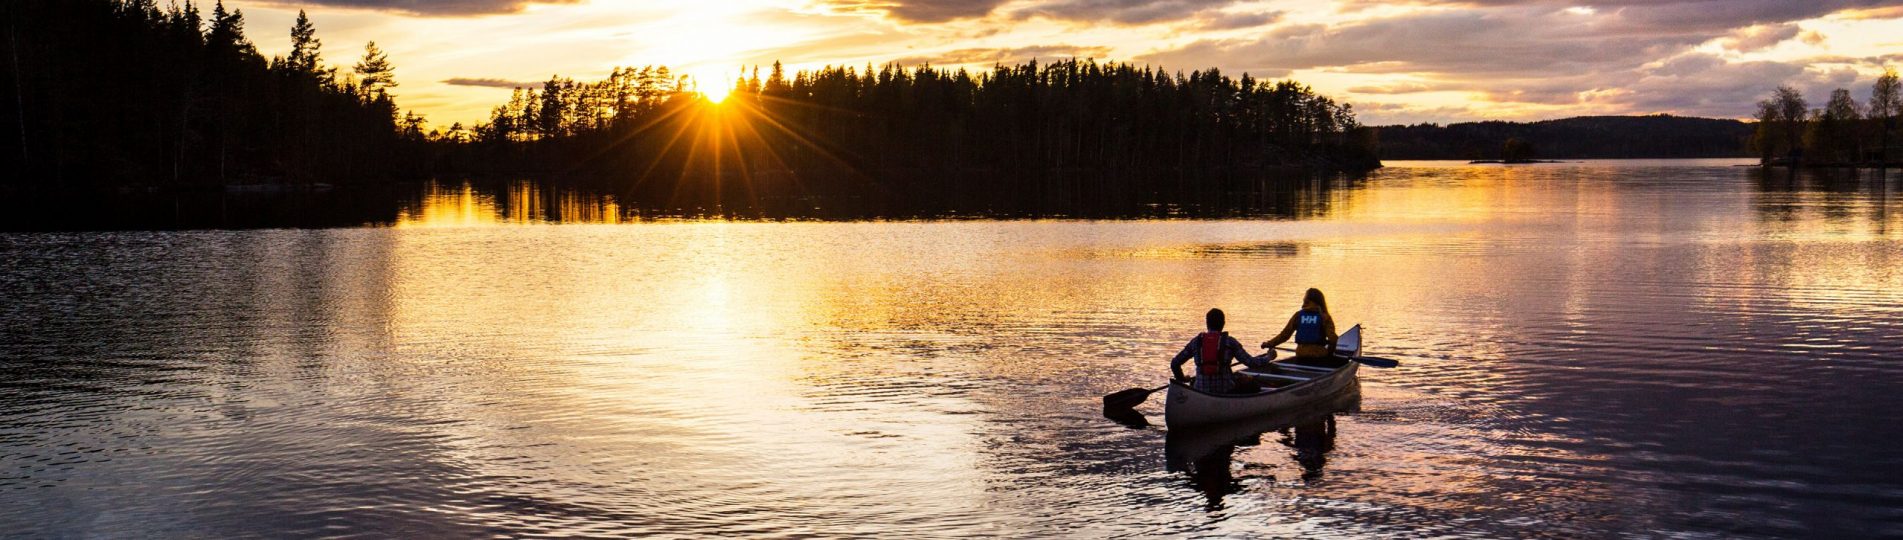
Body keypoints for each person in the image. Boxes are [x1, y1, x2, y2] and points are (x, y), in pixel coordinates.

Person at [1170, 308, 1270, 394]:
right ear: (1223, 324)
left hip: (1200, 391)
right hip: (1226, 391)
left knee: (1195, 382)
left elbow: (1175, 363)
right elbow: (1252, 363)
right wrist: (1269, 357)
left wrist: (1182, 379)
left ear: (1207, 323)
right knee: (1253, 385)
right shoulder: (1230, 342)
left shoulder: (1196, 342)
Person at [1261, 288, 1338, 363]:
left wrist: (1269, 344)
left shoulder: (1298, 316)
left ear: (1306, 301)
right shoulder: (1325, 317)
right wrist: (1329, 353)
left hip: (1301, 354)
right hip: (1319, 356)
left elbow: (1284, 335)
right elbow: (1333, 339)